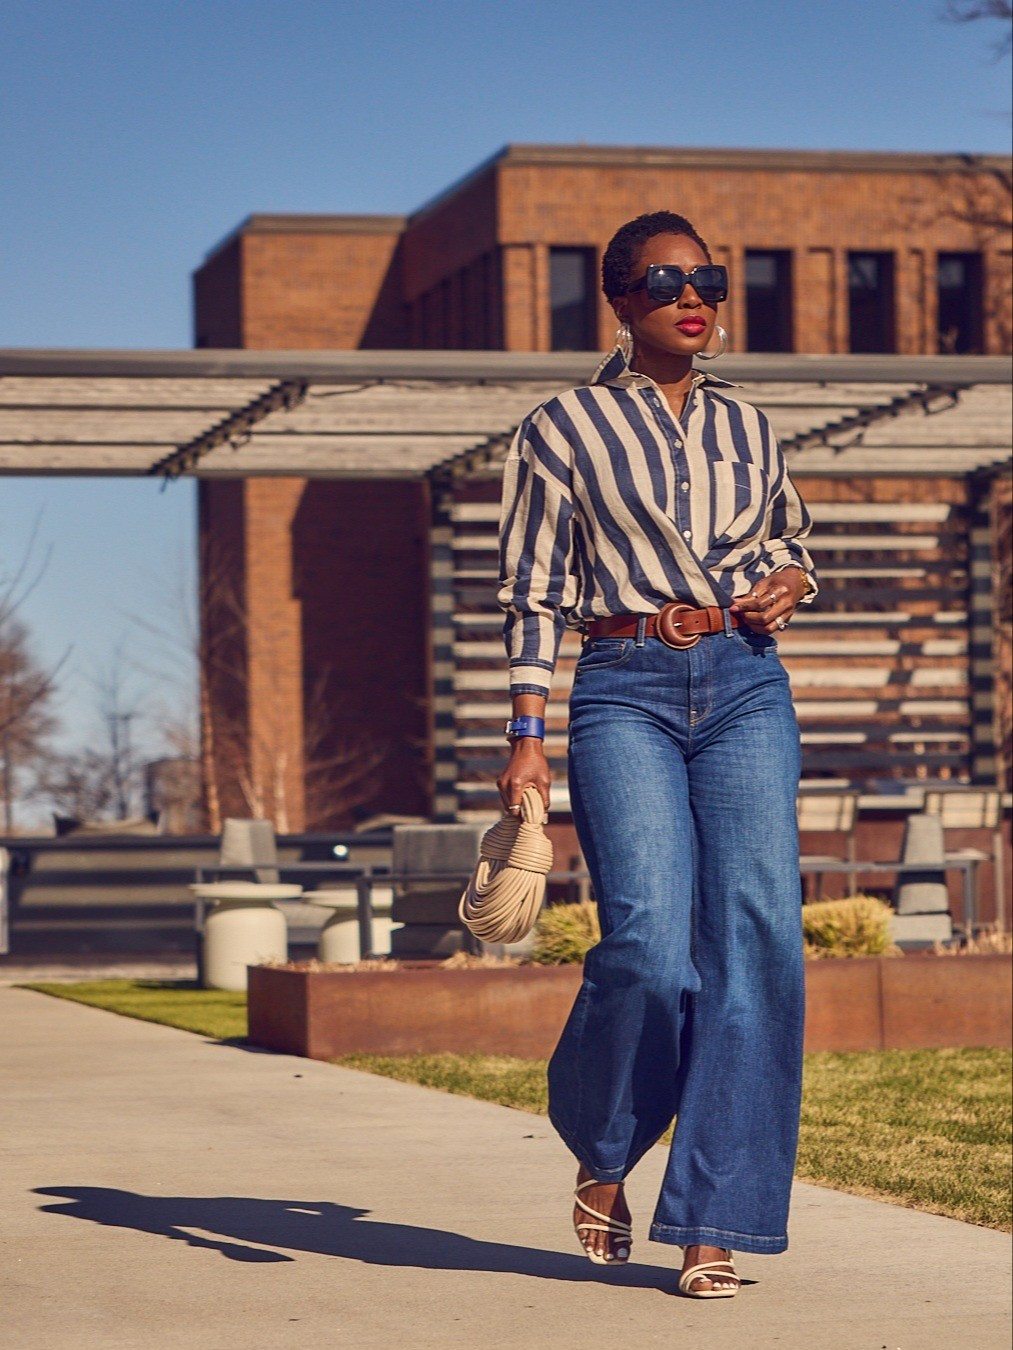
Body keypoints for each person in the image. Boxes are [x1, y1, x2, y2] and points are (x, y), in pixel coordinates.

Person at [495, 211, 818, 1299]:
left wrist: (790, 583)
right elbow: (534, 587)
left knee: (756, 944)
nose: (695, 296)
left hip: (743, 685)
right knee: (645, 947)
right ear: (621, 301)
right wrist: (524, 734)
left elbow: (786, 540)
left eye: (708, 278)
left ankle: (711, 1224)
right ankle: (600, 1141)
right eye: (666, 280)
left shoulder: (751, 427)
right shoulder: (561, 428)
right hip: (623, 686)